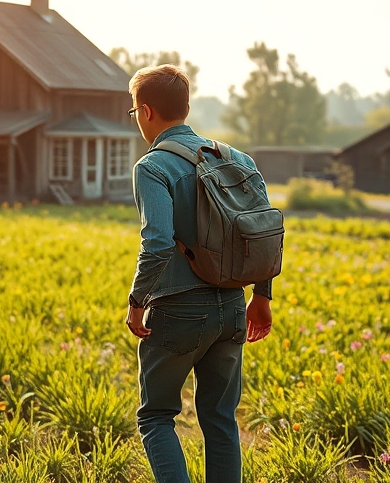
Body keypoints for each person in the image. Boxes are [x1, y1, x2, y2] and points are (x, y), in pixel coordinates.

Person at [125, 64, 274, 483]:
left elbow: (157, 243)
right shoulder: (239, 160)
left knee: (156, 416)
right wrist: (260, 297)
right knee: (220, 418)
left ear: (145, 111)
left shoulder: (152, 167)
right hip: (231, 309)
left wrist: (137, 302)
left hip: (176, 312)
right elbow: (262, 231)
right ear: (187, 107)